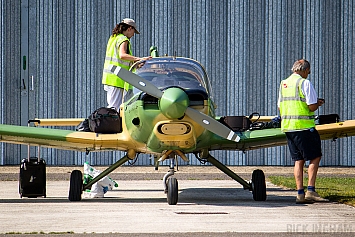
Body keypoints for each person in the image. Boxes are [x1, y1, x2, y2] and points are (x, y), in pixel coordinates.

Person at [278, 59, 329, 204]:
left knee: (298, 160)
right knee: (315, 156)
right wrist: (317, 103)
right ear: (305, 70)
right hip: (304, 127)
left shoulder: (284, 84)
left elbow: (280, 107)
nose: (309, 74)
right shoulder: (304, 83)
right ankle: (311, 190)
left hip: (288, 127)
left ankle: (300, 193)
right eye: (309, 71)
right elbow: (311, 107)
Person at [102, 18, 152, 110]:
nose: (133, 35)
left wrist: (135, 63)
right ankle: (112, 124)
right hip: (117, 78)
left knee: (114, 106)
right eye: (133, 31)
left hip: (110, 78)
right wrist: (139, 59)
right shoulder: (123, 39)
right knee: (115, 108)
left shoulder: (113, 38)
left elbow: (120, 59)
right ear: (129, 28)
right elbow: (122, 55)